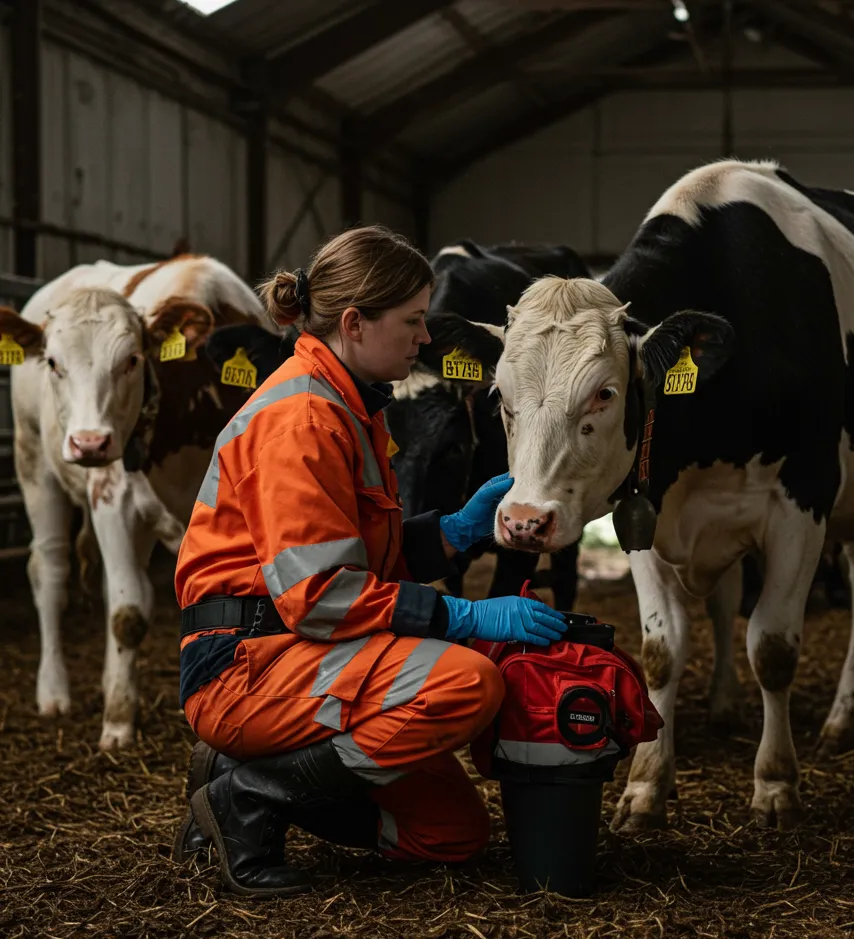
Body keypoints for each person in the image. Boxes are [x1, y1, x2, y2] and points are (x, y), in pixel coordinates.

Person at [171, 226, 567, 898]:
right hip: (250, 660)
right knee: (465, 682)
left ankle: (241, 769)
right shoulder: (302, 417)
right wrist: (466, 614)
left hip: (298, 646)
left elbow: (353, 555)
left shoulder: (353, 407)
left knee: (451, 834)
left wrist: (458, 530)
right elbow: (322, 594)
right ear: (355, 324)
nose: (423, 339)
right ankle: (251, 797)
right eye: (412, 321)